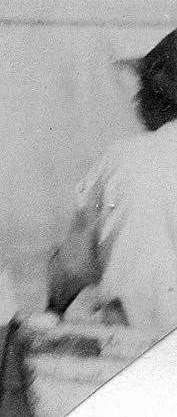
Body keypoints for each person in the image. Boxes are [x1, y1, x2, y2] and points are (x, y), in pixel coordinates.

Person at [48, 27, 177, 333]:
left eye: (144, 87)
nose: (136, 98)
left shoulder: (121, 159)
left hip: (130, 343)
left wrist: (53, 312)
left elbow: (69, 271)